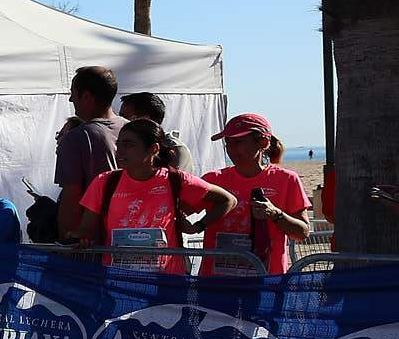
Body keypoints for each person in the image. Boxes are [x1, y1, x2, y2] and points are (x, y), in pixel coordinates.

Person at [77, 119, 234, 273]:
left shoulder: (176, 180)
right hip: (119, 280)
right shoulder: (104, 181)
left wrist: (198, 227)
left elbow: (228, 200)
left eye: (129, 145)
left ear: (153, 149)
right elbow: (86, 229)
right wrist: (81, 238)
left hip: (166, 283)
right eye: (118, 145)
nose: (119, 151)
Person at [202, 113, 311, 276]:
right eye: (228, 143)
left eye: (238, 142)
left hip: (266, 282)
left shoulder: (286, 179)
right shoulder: (212, 180)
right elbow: (179, 212)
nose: (231, 149)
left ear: (263, 142)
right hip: (218, 283)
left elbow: (302, 233)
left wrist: (275, 214)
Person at [56, 66, 121, 241]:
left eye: (73, 93)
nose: (70, 99)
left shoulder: (76, 138)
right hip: (133, 236)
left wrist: (67, 242)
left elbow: (72, 195)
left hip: (92, 243)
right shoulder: (133, 129)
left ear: (86, 96)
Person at [119, 92, 187, 170]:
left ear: (144, 119)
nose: (121, 121)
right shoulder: (123, 143)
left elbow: (180, 180)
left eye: (124, 117)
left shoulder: (175, 149)